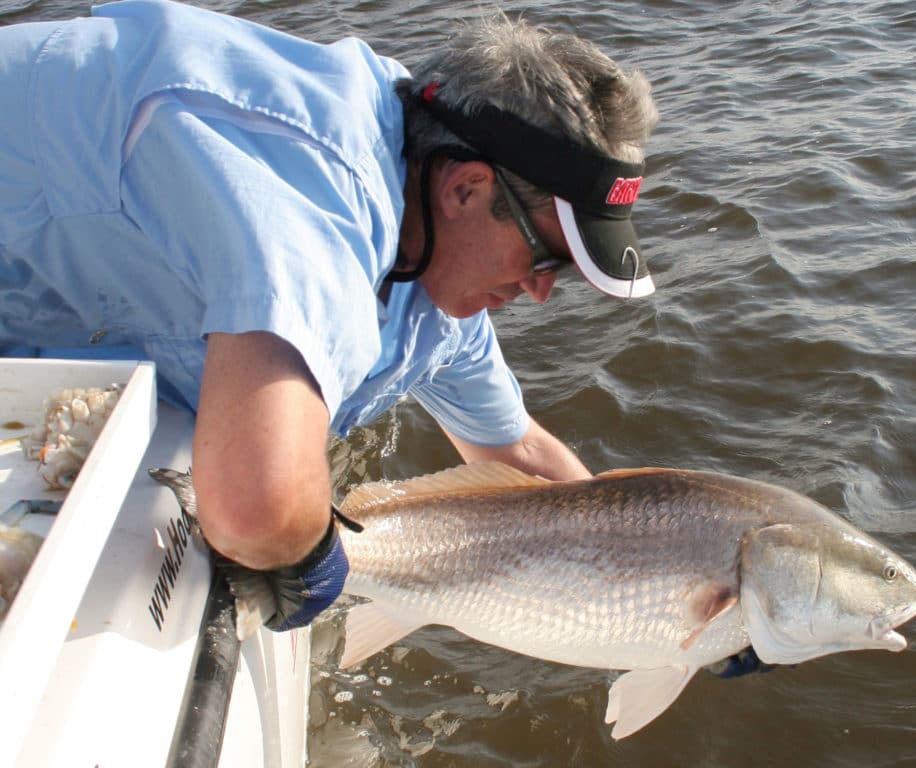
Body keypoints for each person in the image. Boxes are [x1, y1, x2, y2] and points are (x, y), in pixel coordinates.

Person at [0, 0, 657, 631]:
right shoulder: (318, 204)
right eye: (547, 256)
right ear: (465, 188)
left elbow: (520, 452)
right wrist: (311, 556)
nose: (540, 291)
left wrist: (658, 587)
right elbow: (255, 510)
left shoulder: (426, 230)